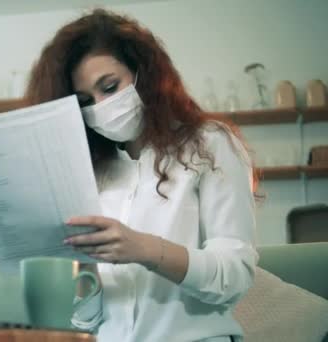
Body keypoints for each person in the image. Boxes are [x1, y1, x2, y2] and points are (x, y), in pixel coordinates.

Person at [25, 9, 258, 342]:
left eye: (110, 86)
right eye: (85, 101)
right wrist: (75, 271)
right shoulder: (91, 172)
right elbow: (85, 316)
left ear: (143, 74)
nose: (101, 106)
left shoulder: (211, 144)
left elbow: (234, 277)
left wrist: (143, 248)